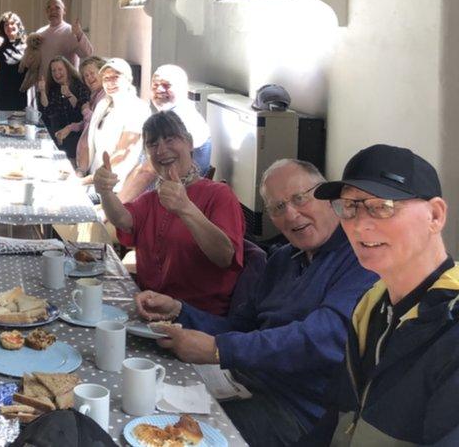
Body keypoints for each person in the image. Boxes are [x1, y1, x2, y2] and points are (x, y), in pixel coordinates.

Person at [136, 159, 378, 446]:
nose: (291, 215)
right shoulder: (282, 259)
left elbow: (319, 339)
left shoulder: (361, 260)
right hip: (242, 383)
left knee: (174, 437)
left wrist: (218, 350)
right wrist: (179, 310)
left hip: (301, 415)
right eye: (278, 208)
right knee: (143, 401)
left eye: (300, 198)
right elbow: (241, 325)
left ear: (328, 197)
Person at [312, 144, 459, 446]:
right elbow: (335, 422)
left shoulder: (450, 327)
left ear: (435, 215)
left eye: (381, 206)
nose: (359, 224)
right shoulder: (372, 307)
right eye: (349, 207)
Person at [95, 111, 244, 315]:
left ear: (189, 143)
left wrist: (186, 208)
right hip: (151, 310)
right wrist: (105, 192)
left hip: (197, 318)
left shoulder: (219, 195)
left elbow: (225, 256)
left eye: (170, 139)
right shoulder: (152, 199)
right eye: (153, 144)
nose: (161, 150)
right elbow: (122, 220)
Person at [82, 58, 151, 190]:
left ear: (128, 79)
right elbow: (89, 142)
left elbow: (123, 153)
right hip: (94, 179)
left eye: (115, 77)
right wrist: (81, 170)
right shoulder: (103, 104)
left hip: (115, 187)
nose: (110, 82)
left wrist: (87, 180)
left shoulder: (138, 108)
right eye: (106, 78)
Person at [150, 64, 211, 173]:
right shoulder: (169, 116)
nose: (159, 89)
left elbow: (147, 173)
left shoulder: (182, 119)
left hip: (178, 188)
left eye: (166, 85)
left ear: (184, 89)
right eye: (155, 85)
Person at [34, 0, 93, 91]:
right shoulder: (39, 33)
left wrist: (79, 34)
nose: (53, 11)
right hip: (44, 88)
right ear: (46, 11)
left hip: (66, 88)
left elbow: (87, 53)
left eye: (57, 8)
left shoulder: (70, 31)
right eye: (50, 8)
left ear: (64, 10)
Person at [38, 56, 90, 158]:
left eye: (60, 69)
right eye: (53, 71)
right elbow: (47, 111)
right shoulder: (54, 89)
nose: (57, 73)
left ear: (68, 69)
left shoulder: (79, 85)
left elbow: (82, 110)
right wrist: (43, 92)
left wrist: (69, 95)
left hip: (77, 134)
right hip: (58, 133)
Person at [74, 55, 107, 174]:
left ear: (102, 73)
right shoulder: (95, 95)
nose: (89, 78)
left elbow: (96, 121)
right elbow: (86, 124)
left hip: (94, 159)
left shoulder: (105, 96)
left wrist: (85, 110)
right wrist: (71, 127)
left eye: (92, 73)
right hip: (86, 158)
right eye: (86, 76)